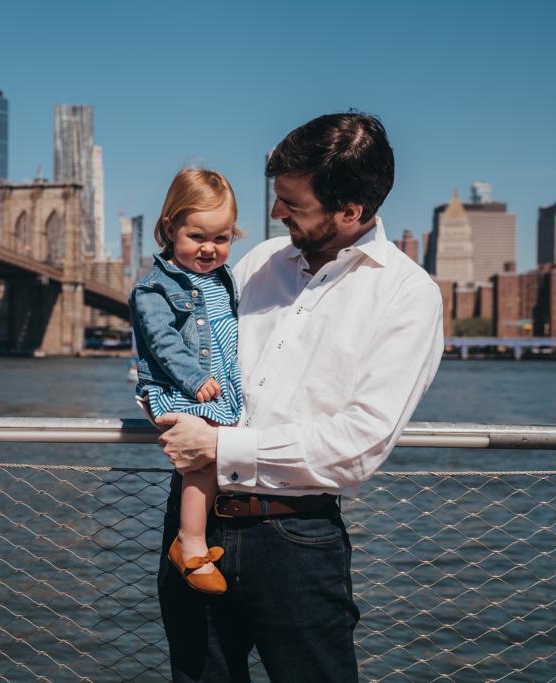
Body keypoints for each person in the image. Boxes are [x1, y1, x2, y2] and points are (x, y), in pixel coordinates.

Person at [153, 113, 444, 681]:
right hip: (191, 526)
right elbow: (194, 356)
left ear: (350, 212)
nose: (275, 212)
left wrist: (218, 446)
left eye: (292, 203)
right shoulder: (259, 262)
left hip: (295, 544)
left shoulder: (408, 295)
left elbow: (360, 444)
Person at [130, 168, 244, 595]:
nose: (210, 249)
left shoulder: (222, 279)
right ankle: (190, 542)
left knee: (218, 456)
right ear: (168, 229)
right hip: (185, 386)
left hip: (220, 382)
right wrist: (195, 378)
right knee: (203, 458)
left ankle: (206, 535)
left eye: (222, 238)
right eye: (197, 237)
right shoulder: (155, 289)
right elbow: (161, 342)